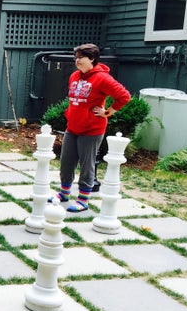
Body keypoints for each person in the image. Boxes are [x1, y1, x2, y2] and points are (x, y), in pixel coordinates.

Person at [51, 43, 131, 212]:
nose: (77, 60)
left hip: (91, 130)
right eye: (76, 57)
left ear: (92, 59)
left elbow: (124, 96)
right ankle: (64, 193)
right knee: (66, 162)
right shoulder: (74, 76)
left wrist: (108, 112)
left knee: (86, 165)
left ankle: (83, 200)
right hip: (72, 127)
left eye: (81, 57)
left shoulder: (102, 78)